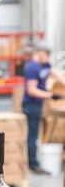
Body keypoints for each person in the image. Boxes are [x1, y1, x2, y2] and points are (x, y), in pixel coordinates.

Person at [22, 43, 65, 174]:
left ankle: (34, 161)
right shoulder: (32, 68)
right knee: (32, 135)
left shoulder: (43, 65)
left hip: (38, 104)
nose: (48, 59)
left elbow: (56, 73)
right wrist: (51, 95)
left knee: (35, 134)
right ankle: (33, 164)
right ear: (40, 54)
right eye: (47, 56)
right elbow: (31, 90)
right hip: (31, 105)